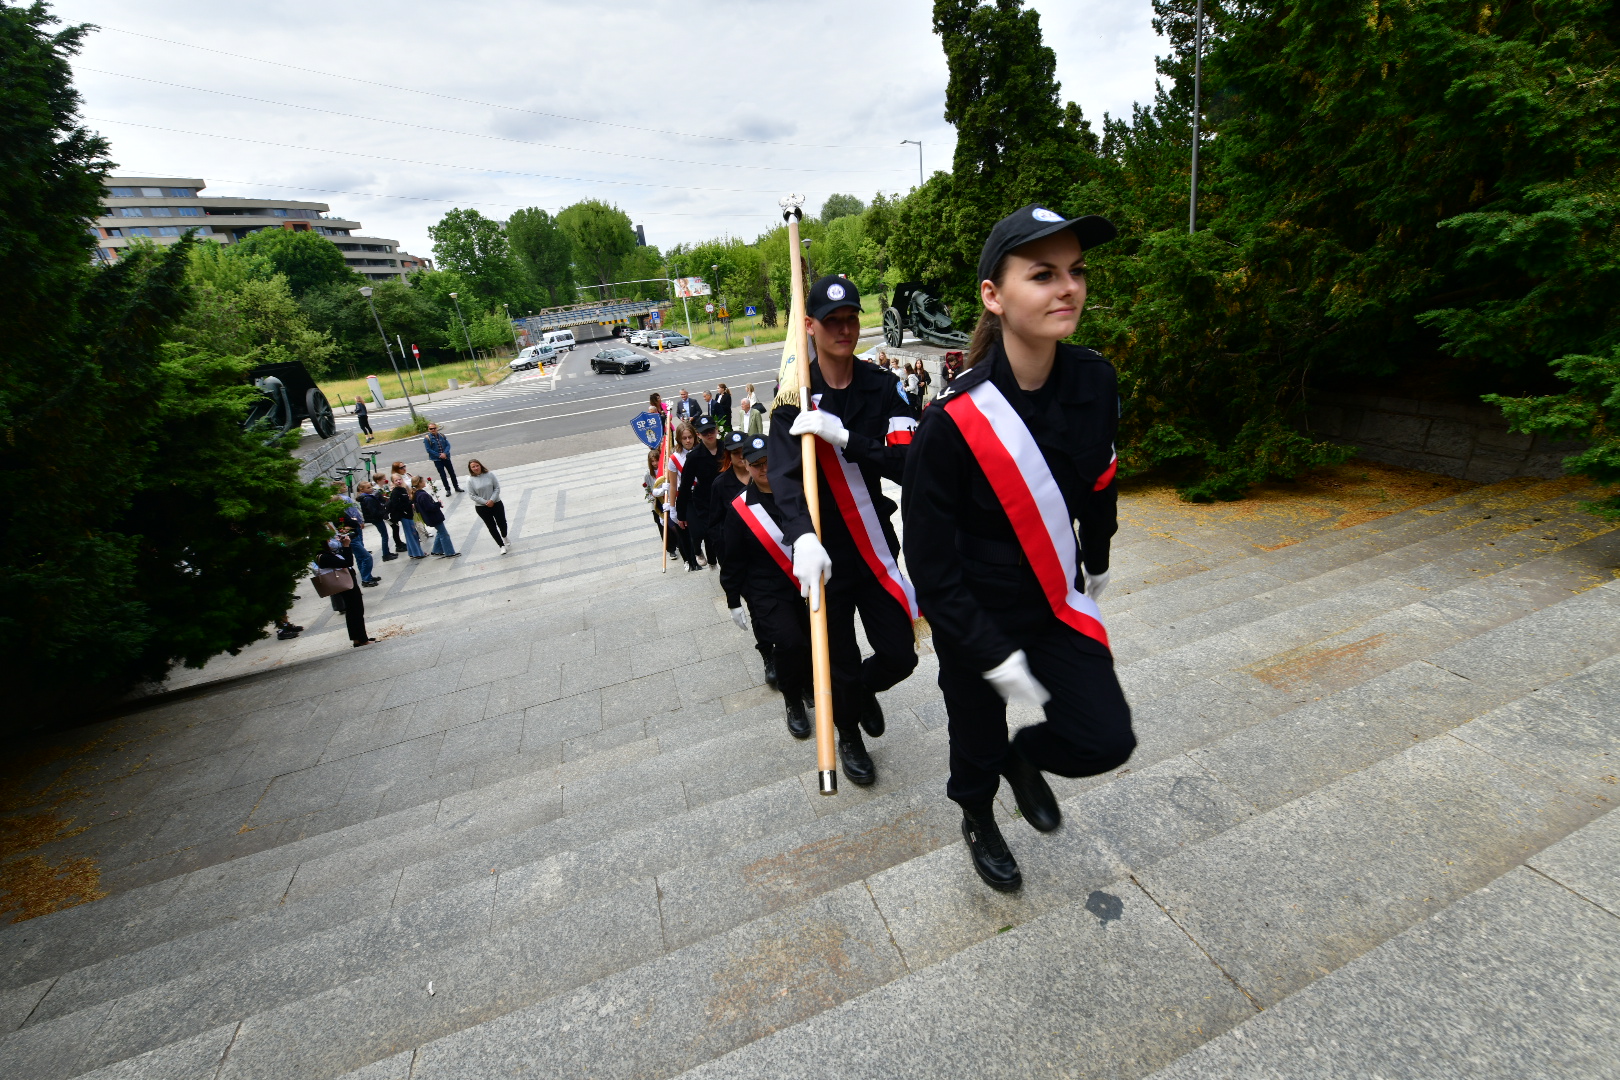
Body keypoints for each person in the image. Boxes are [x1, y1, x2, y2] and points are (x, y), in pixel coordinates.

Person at [901, 204, 1134, 893]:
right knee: (974, 737)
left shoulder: (1095, 380)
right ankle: (977, 814)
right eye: (1043, 274)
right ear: (994, 297)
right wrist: (986, 651)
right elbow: (933, 569)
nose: (1069, 288)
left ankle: (1025, 756)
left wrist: (1100, 554)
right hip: (979, 614)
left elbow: (1099, 478)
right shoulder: (950, 424)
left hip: (1056, 600)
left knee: (1105, 739)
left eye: (1076, 271)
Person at [769, 275, 920, 786]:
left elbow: (906, 462)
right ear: (809, 326)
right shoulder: (793, 396)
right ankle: (848, 734)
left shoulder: (882, 387)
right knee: (839, 661)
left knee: (900, 654)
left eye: (851, 318)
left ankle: (858, 696)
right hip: (822, 557)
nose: (844, 329)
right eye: (831, 321)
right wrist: (802, 535)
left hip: (873, 545)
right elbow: (785, 479)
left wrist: (848, 438)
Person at [722, 435, 813, 738]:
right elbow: (732, 558)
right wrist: (733, 599)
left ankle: (810, 684)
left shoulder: (801, 491)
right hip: (767, 590)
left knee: (813, 642)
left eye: (768, 462)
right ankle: (792, 698)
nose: (763, 469)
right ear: (745, 465)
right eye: (756, 464)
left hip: (806, 581)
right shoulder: (740, 509)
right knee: (789, 643)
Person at [712, 431, 776, 686]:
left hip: (778, 562)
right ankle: (768, 655)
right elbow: (716, 525)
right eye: (735, 452)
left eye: (742, 451)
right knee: (759, 615)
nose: (739, 456)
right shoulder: (721, 485)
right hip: (749, 566)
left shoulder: (772, 479)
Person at [676, 415, 723, 569]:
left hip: (727, 498)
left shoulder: (727, 448)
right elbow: (684, 486)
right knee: (711, 533)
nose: (709, 434)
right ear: (699, 435)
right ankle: (715, 562)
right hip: (705, 502)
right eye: (705, 432)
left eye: (711, 430)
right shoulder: (694, 457)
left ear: (716, 430)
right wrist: (681, 514)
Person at [316, 534, 375, 647]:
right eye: (328, 540)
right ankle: (362, 639)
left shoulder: (326, 554)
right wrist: (347, 546)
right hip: (346, 584)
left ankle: (357, 639)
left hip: (346, 583)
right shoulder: (324, 557)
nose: (331, 542)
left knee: (353, 610)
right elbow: (347, 562)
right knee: (356, 610)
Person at [663, 421, 700, 571]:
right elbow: (673, 485)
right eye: (684, 438)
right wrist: (672, 507)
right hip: (686, 497)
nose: (688, 441)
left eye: (690, 437)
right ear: (679, 439)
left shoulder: (701, 451)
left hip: (702, 496)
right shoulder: (674, 458)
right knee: (685, 531)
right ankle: (691, 561)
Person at [466, 459, 508, 553]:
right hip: (482, 507)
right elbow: (472, 495)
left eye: (477, 465)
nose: (476, 468)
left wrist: (492, 500)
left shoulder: (490, 475)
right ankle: (501, 545)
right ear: (470, 469)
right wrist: (485, 502)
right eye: (473, 467)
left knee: (502, 523)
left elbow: (496, 487)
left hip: (496, 503)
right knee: (491, 526)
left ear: (480, 465)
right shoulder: (470, 480)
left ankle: (504, 536)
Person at [413, 476, 459, 557]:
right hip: (434, 517)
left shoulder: (417, 494)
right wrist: (438, 504)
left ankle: (437, 550)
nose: (425, 482)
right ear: (419, 483)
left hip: (430, 518)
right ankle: (450, 552)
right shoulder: (422, 495)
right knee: (444, 534)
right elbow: (429, 508)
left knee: (440, 532)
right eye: (423, 481)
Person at [356, 481, 397, 563]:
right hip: (377, 519)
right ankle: (386, 554)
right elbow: (374, 511)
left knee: (384, 535)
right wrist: (383, 512)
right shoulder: (368, 499)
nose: (371, 489)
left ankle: (387, 552)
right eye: (368, 488)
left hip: (375, 519)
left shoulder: (366, 497)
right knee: (384, 536)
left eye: (370, 487)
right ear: (362, 490)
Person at [390, 478, 426, 558]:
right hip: (404, 515)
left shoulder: (402, 489)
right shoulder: (395, 492)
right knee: (412, 534)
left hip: (408, 514)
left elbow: (407, 500)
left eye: (399, 479)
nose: (398, 481)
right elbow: (396, 505)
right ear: (393, 482)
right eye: (396, 480)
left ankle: (412, 552)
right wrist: (407, 507)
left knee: (411, 534)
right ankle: (417, 553)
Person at [423, 423, 462, 494]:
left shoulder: (442, 435)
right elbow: (428, 450)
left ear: (436, 428)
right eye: (431, 429)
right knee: (443, 475)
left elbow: (448, 445)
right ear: (428, 429)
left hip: (446, 457)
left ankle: (456, 487)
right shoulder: (427, 438)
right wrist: (439, 455)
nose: (433, 430)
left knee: (452, 473)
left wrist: (445, 453)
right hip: (437, 460)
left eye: (434, 428)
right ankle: (448, 490)